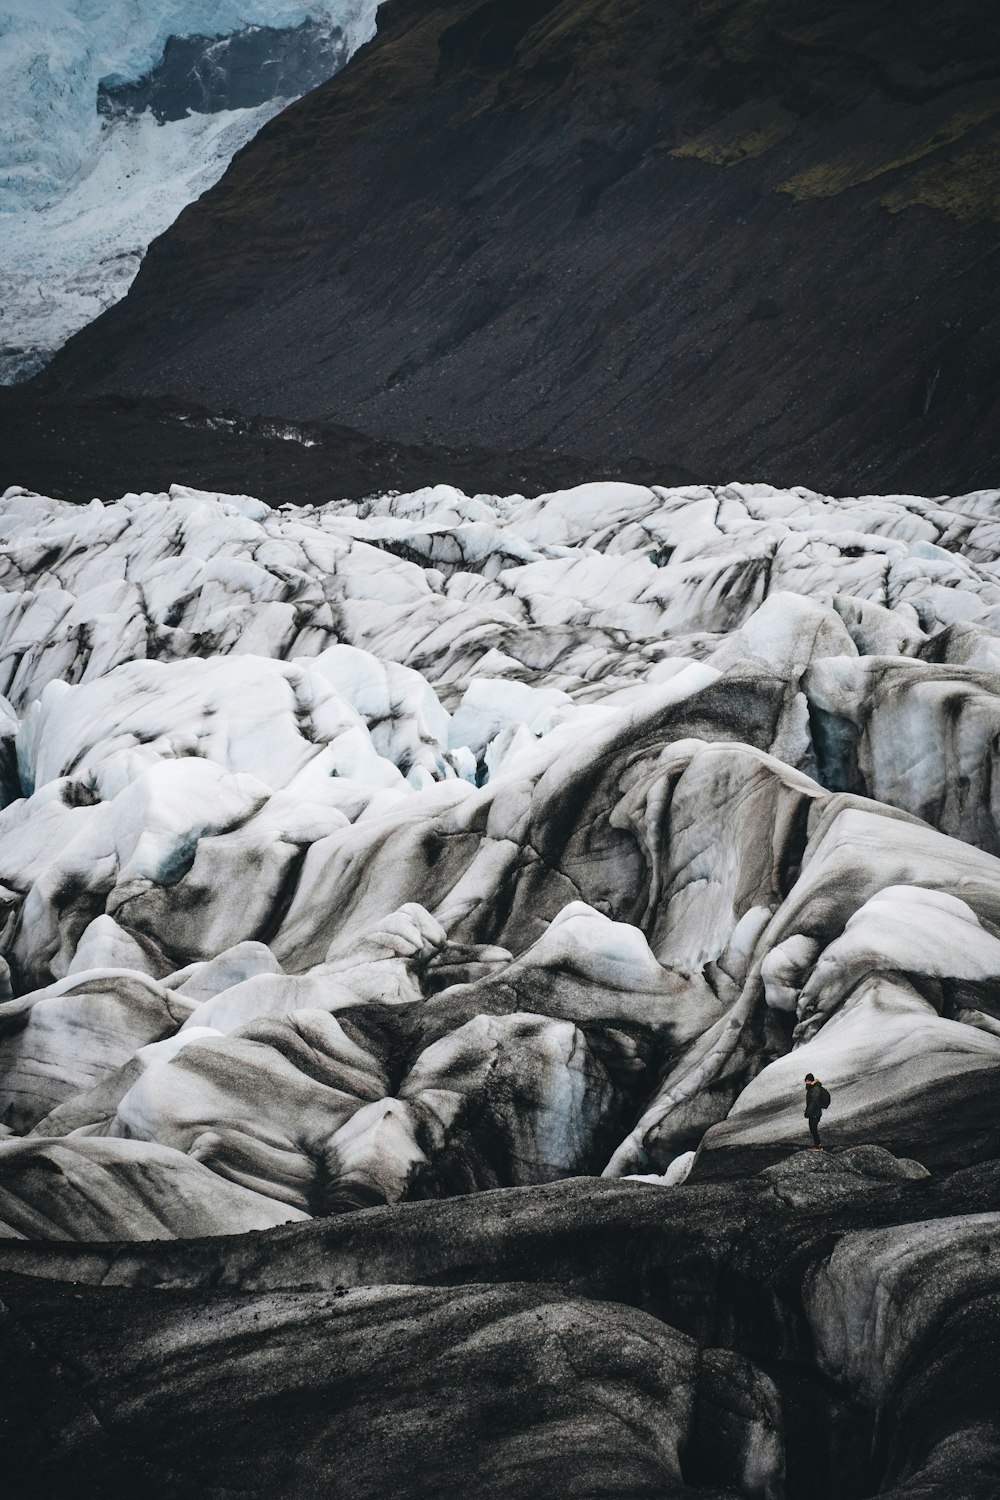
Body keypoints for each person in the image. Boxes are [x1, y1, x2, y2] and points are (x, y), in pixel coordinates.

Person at [804, 1073, 826, 1149]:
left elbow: (814, 1101)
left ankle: (818, 1145)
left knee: (813, 1128)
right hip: (814, 1112)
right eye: (806, 1081)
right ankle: (817, 1144)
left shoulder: (815, 1088)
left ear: (812, 1081)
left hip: (815, 1112)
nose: (807, 1082)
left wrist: (809, 1111)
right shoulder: (811, 1088)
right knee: (812, 1127)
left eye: (808, 1081)